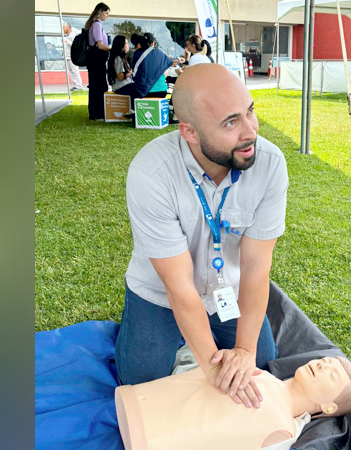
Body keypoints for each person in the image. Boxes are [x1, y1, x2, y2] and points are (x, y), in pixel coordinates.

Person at [115, 63, 289, 411]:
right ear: (189, 133)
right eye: (231, 122)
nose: (251, 131)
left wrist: (244, 353)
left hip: (228, 290)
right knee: (140, 382)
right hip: (160, 294)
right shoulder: (151, 172)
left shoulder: (269, 163)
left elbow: (256, 268)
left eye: (250, 111)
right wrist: (213, 368)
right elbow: (178, 286)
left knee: (262, 366)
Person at [115, 356, 351, 450]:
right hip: (134, 400)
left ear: (329, 408)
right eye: (325, 361)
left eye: (332, 375)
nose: (321, 365)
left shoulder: (283, 430)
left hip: (149, 441)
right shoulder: (259, 372)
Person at [119, 32, 179, 119]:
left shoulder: (136, 54)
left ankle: (134, 110)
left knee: (132, 87)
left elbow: (135, 73)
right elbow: (165, 74)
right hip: (161, 91)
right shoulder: (160, 54)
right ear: (153, 43)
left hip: (143, 92)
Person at [84, 2, 111, 120]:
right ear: (100, 12)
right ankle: (97, 112)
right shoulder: (97, 25)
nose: (107, 16)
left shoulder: (94, 24)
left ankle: (95, 112)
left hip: (94, 59)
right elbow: (100, 45)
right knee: (99, 86)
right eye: (106, 13)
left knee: (96, 85)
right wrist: (111, 49)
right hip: (97, 59)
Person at [62, 22, 84, 91]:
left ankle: (79, 86)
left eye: (64, 28)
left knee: (75, 71)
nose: (63, 29)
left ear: (68, 28)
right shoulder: (67, 36)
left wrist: (67, 41)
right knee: (71, 72)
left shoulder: (73, 35)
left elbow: (76, 45)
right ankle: (75, 85)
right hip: (67, 57)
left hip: (72, 57)